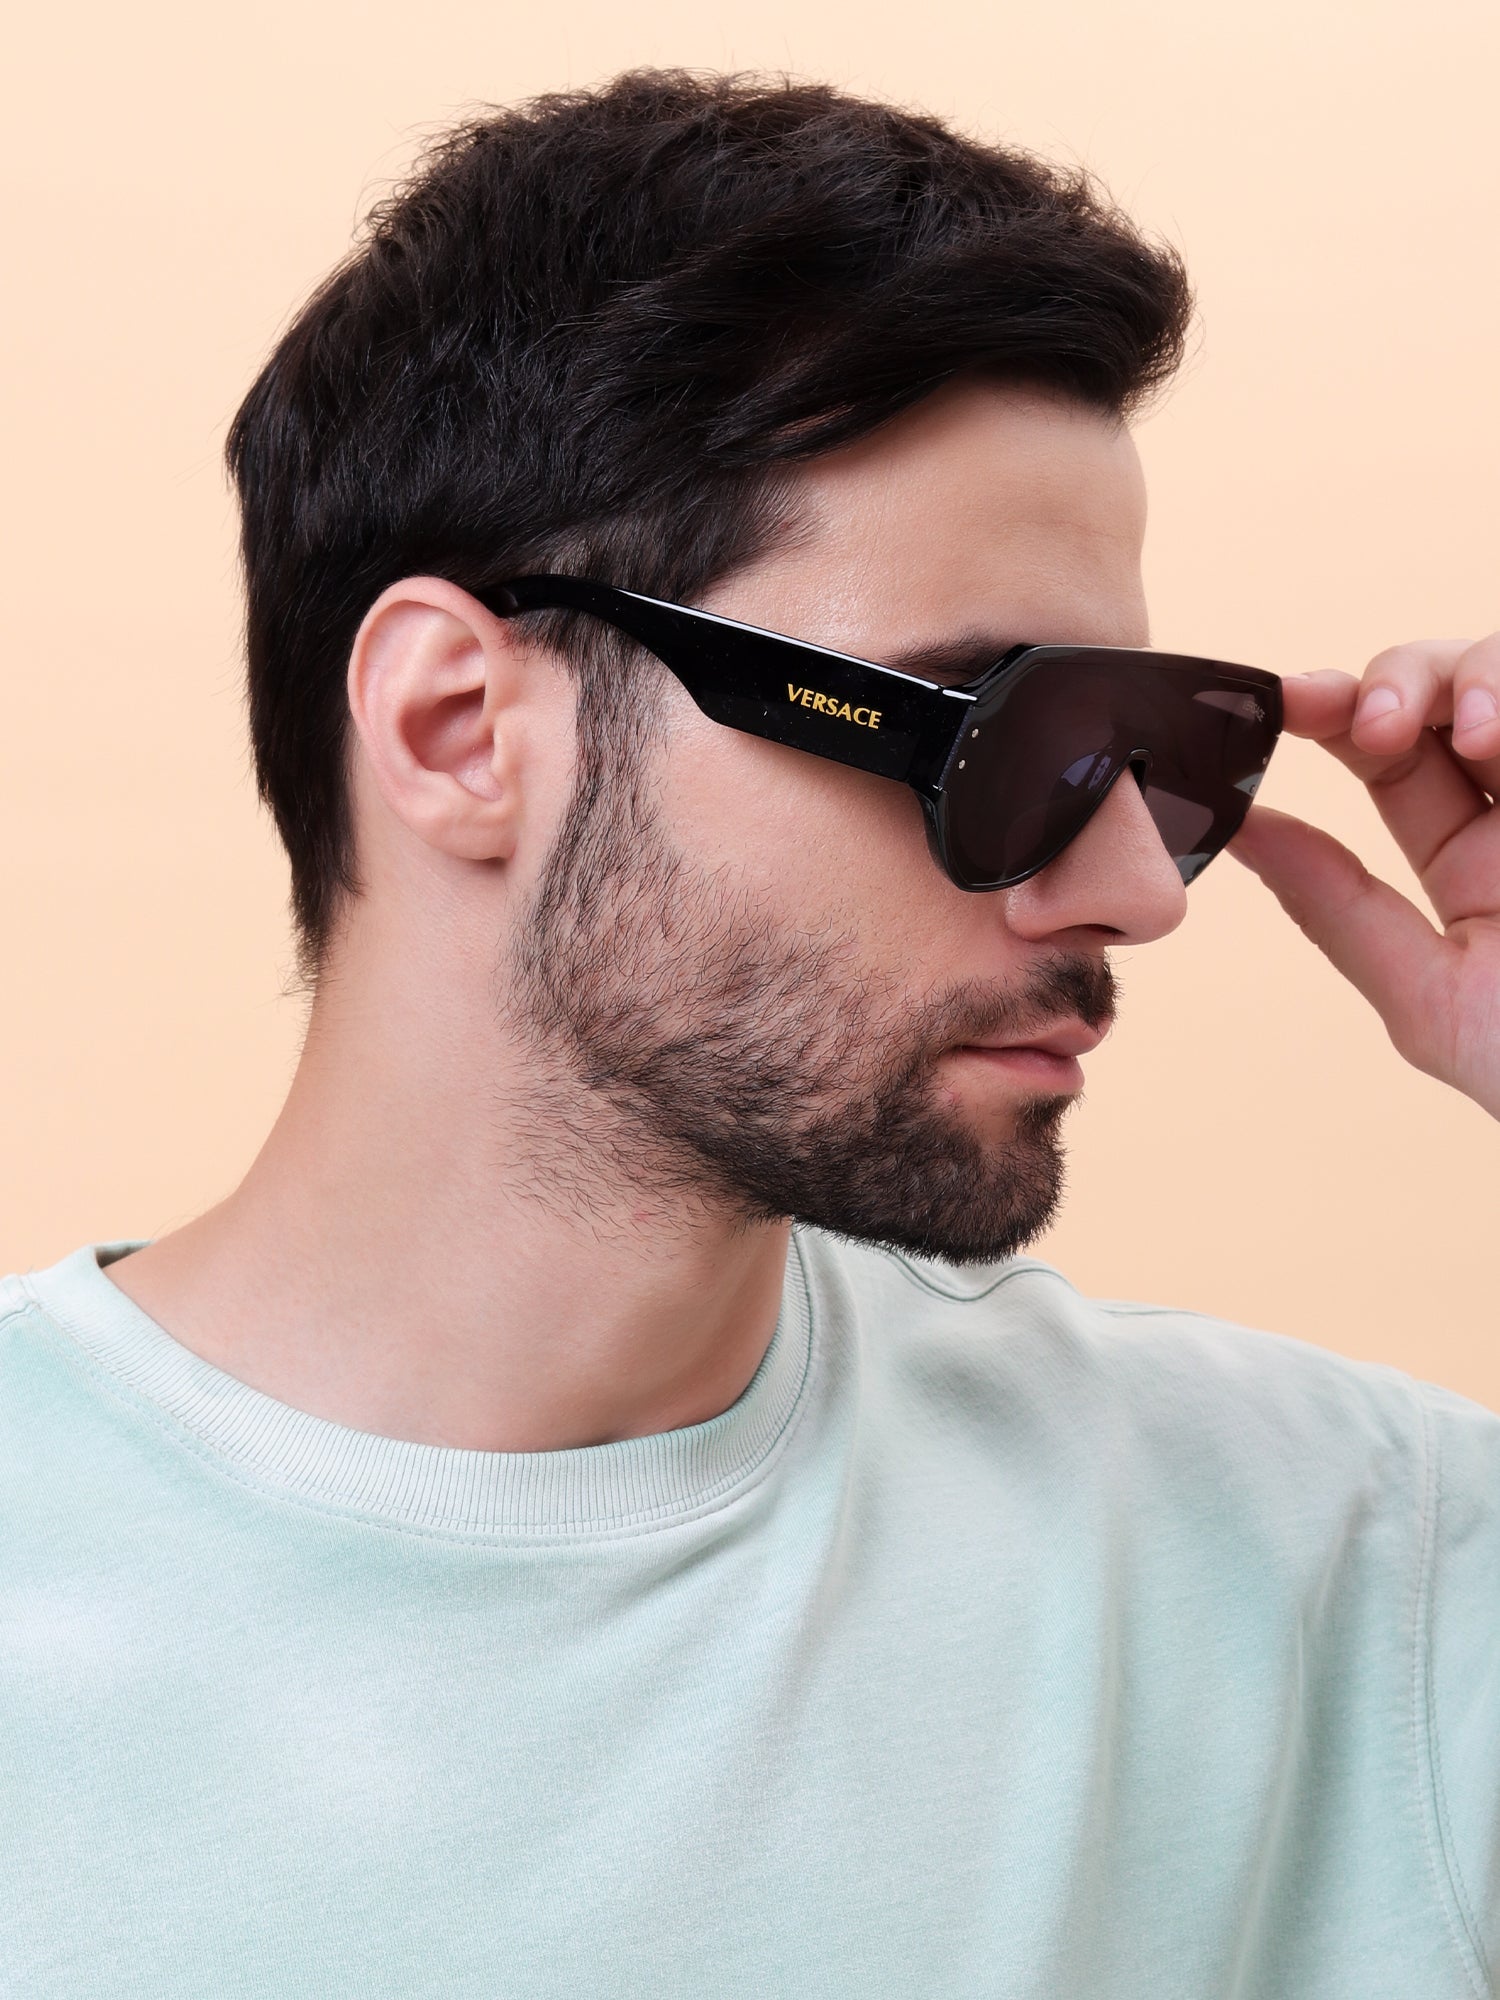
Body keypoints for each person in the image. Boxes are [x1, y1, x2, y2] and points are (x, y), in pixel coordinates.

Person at [3, 68, 1496, 1998]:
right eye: (993, 733)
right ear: (460, 728)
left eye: (1162, 753)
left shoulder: (1349, 1575)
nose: (1140, 890)